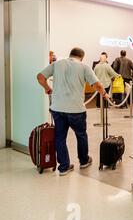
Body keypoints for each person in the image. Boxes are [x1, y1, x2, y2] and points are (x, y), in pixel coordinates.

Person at [37, 47, 109, 176]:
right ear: (81, 57)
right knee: (81, 135)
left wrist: (47, 88)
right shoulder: (84, 66)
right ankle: (84, 161)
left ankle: (64, 167)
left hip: (57, 109)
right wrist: (104, 94)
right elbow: (97, 85)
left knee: (60, 137)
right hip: (76, 110)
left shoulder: (57, 63)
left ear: (70, 54)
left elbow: (40, 76)